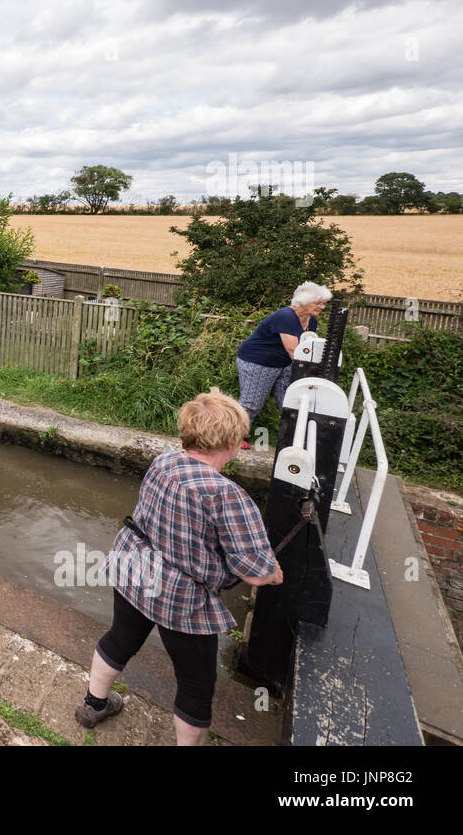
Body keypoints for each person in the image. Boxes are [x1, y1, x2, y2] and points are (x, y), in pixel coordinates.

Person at [77, 390, 283, 745]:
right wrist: (275, 573)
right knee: (195, 682)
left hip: (134, 566)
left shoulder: (162, 462)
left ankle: (93, 705)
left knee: (120, 637)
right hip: (180, 594)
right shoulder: (228, 495)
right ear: (233, 444)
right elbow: (256, 573)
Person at [235, 282, 333, 445]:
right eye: (318, 303)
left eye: (324, 303)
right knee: (251, 403)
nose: (322, 307)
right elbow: (295, 351)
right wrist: (318, 371)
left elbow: (309, 348)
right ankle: (235, 438)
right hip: (258, 361)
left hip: (284, 364)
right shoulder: (286, 317)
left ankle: (295, 441)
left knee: (291, 403)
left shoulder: (311, 321)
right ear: (304, 301)